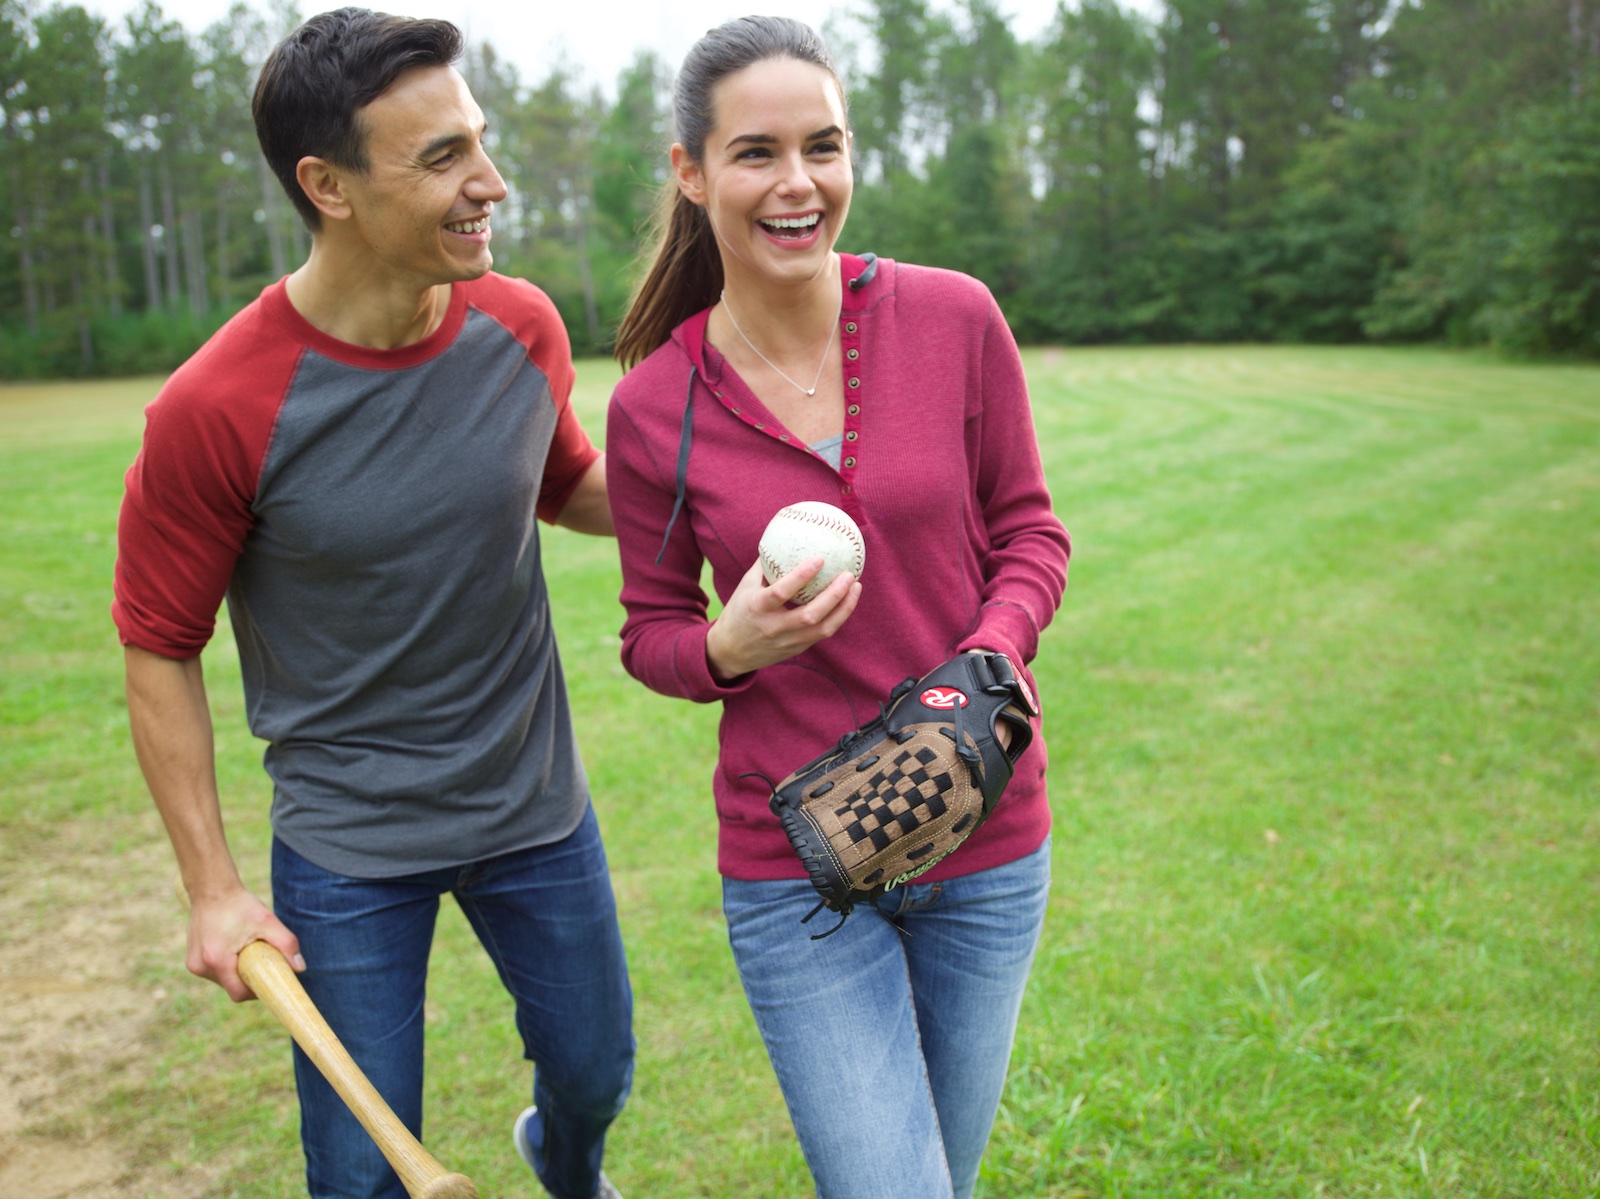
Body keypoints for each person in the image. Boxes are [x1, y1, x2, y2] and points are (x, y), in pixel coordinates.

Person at [112, 10, 632, 1199]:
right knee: (358, 1173)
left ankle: (564, 1162)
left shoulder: (521, 325)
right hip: (349, 842)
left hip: (533, 805)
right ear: (327, 186)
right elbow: (158, 645)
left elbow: (563, 486)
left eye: (479, 141)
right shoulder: (215, 408)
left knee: (596, 1069)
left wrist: (729, 497)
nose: (490, 182)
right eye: (443, 157)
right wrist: (212, 886)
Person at [605, 15, 1071, 1199]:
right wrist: (726, 645)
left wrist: (985, 659)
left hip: (982, 832)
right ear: (691, 171)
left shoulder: (953, 317)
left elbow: (1029, 531)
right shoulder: (656, 404)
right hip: (797, 866)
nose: (798, 183)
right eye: (756, 152)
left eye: (823, 146)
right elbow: (650, 633)